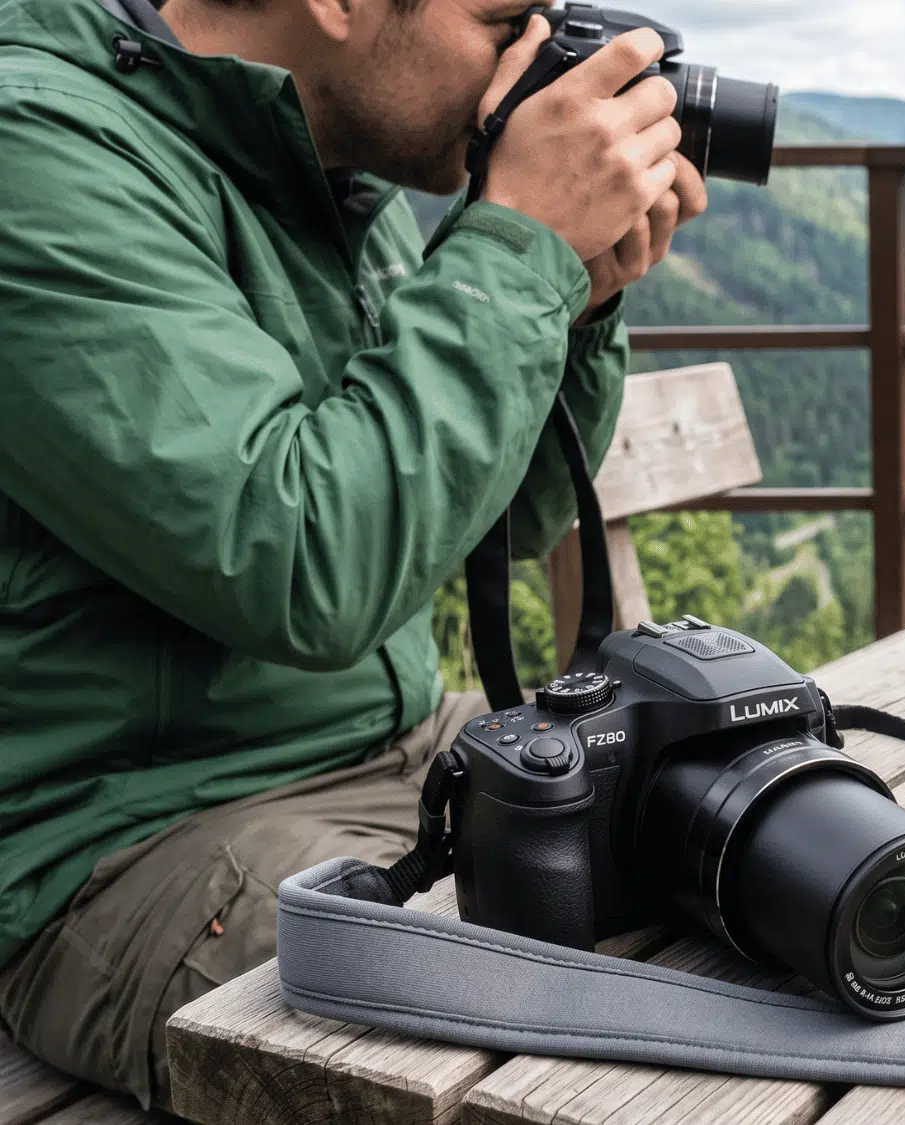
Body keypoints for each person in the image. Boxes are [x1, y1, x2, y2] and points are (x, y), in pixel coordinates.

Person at [0, 0, 708, 1106]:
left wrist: (573, 298)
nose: (529, 60)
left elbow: (503, 523)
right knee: (515, 1074)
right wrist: (516, 250)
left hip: (395, 747)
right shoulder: (35, 154)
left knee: (765, 831)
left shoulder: (339, 163)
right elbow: (299, 565)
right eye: (502, 20)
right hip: (131, 838)